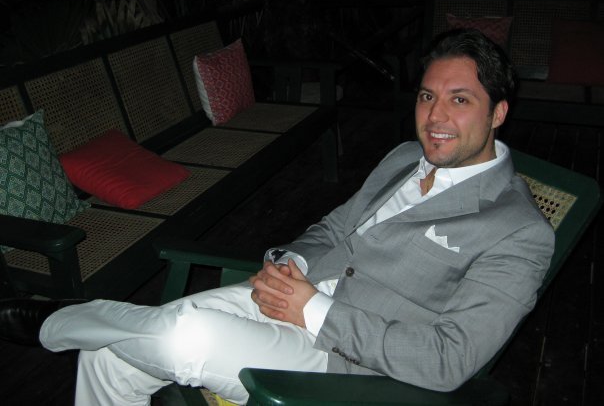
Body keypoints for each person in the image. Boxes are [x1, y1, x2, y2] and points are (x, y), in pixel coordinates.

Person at [0, 28, 554, 406]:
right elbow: (335, 227)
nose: (434, 117)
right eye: (427, 96)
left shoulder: (519, 232)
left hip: (348, 361)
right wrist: (293, 263)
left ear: (498, 112)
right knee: (104, 359)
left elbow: (450, 359)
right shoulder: (405, 158)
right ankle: (80, 325)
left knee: (185, 336)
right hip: (293, 294)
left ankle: (61, 319)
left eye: (460, 100)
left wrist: (313, 309)